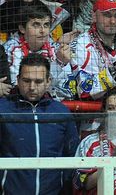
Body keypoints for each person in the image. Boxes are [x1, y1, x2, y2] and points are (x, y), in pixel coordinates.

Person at [0, 53, 78, 194]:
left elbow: (71, 157)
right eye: (26, 80)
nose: (31, 87)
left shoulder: (61, 113)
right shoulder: (2, 109)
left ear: (48, 81)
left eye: (38, 81)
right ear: (17, 80)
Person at [4, 4, 74, 100]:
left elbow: (67, 89)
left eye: (46, 25)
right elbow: (20, 88)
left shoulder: (58, 50)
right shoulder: (9, 50)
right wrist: (57, 64)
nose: (43, 31)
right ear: (22, 28)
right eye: (36, 25)